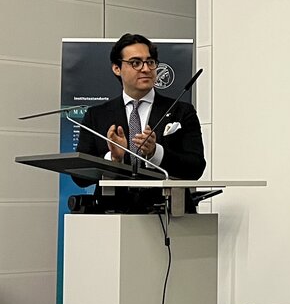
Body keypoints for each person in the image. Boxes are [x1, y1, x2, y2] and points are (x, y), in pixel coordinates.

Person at [74, 33, 206, 210]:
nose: (145, 69)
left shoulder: (181, 111)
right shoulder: (96, 115)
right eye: (135, 63)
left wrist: (155, 153)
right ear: (117, 68)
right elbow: (80, 177)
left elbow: (196, 167)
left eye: (150, 62)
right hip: (112, 214)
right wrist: (113, 158)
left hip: (169, 213)